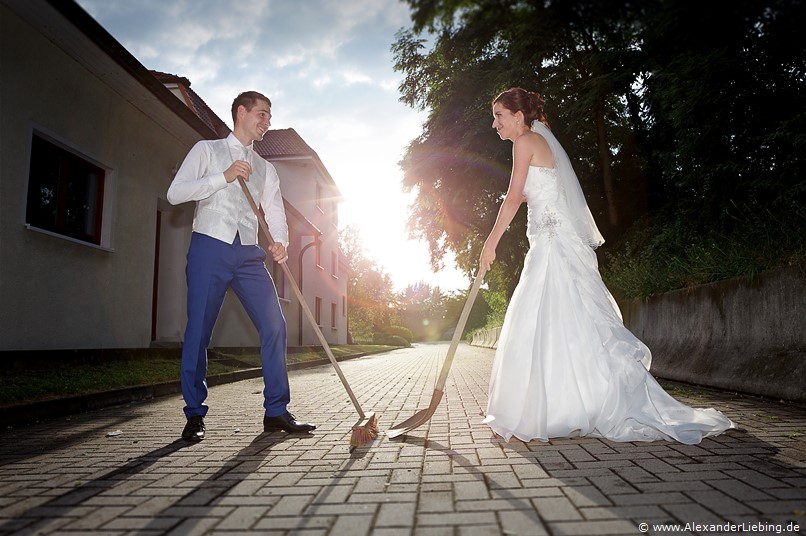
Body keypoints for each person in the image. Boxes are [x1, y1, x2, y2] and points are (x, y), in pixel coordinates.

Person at [479, 87, 737, 444]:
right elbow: (533, 191)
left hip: (552, 244)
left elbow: (511, 199)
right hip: (553, 239)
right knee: (568, 318)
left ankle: (558, 406)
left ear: (518, 116)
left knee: (546, 316)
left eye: (499, 116)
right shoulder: (540, 139)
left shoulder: (524, 142)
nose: (495, 124)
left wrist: (489, 243)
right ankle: (570, 404)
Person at [167, 91, 315, 441]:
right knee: (199, 331)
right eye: (262, 114)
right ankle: (194, 414)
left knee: (275, 324)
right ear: (241, 112)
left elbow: (275, 212)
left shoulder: (267, 168)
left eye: (269, 116)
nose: (267, 122)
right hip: (209, 248)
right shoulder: (207, 150)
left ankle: (276, 412)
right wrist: (224, 176)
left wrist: (281, 242)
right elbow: (176, 193)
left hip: (248, 254)